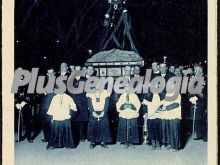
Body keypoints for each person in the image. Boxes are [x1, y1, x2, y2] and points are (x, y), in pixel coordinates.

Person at [70, 66, 89, 142]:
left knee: (83, 120)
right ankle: (75, 136)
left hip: (82, 102)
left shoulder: (84, 79)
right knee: (74, 120)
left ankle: (82, 136)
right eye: (76, 70)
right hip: (74, 102)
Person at [189, 64, 207, 142]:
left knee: (202, 119)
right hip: (194, 100)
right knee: (195, 118)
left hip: (202, 101)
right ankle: (199, 135)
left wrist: (200, 93)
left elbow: (206, 92)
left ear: (200, 70)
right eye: (194, 69)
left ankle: (205, 135)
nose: (194, 71)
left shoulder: (205, 79)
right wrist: (190, 97)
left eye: (196, 70)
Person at [40, 68, 55, 142]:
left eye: (52, 73)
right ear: (47, 74)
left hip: (52, 104)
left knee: (52, 122)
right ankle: (47, 137)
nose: (51, 74)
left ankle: (53, 139)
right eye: (49, 73)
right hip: (44, 105)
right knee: (44, 122)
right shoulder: (43, 81)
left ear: (54, 73)